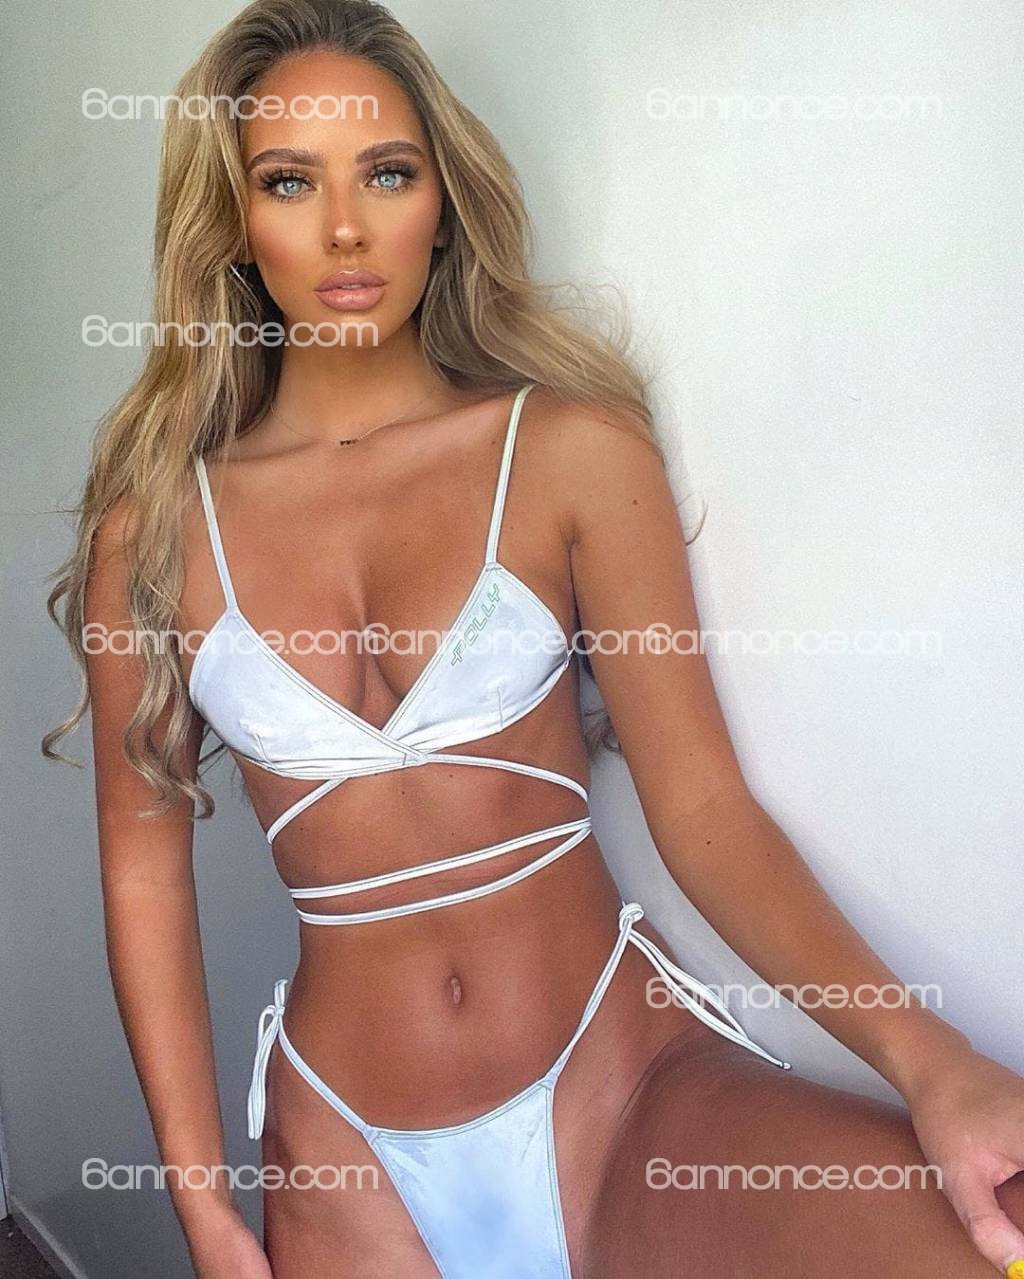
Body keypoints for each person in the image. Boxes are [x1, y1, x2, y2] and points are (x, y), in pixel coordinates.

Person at [45, 1, 1024, 1274]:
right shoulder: (155, 527)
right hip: (346, 1158)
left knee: (985, 1238)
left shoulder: (566, 450)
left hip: (623, 1089)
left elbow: (704, 809)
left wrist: (933, 1062)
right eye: (289, 181)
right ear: (233, 221)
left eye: (386, 173)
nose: (344, 228)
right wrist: (202, 1204)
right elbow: (142, 872)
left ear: (442, 201)